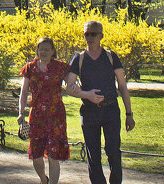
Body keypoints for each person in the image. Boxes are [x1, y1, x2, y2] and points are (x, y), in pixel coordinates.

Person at [65, 20, 135, 184]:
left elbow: (123, 86)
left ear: (101, 36)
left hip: (110, 110)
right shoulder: (79, 59)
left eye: (93, 34)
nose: (89, 37)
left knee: (113, 151)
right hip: (89, 112)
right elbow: (69, 87)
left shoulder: (111, 57)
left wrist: (129, 114)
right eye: (86, 34)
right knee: (93, 154)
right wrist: (86, 95)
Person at [18, 37, 71, 184]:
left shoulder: (61, 67)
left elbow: (72, 85)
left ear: (53, 51)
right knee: (36, 156)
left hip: (56, 117)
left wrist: (86, 94)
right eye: (41, 49)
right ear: (37, 51)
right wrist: (21, 113)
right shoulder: (30, 68)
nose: (44, 52)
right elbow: (23, 92)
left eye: (47, 49)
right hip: (37, 116)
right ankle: (43, 179)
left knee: (54, 156)